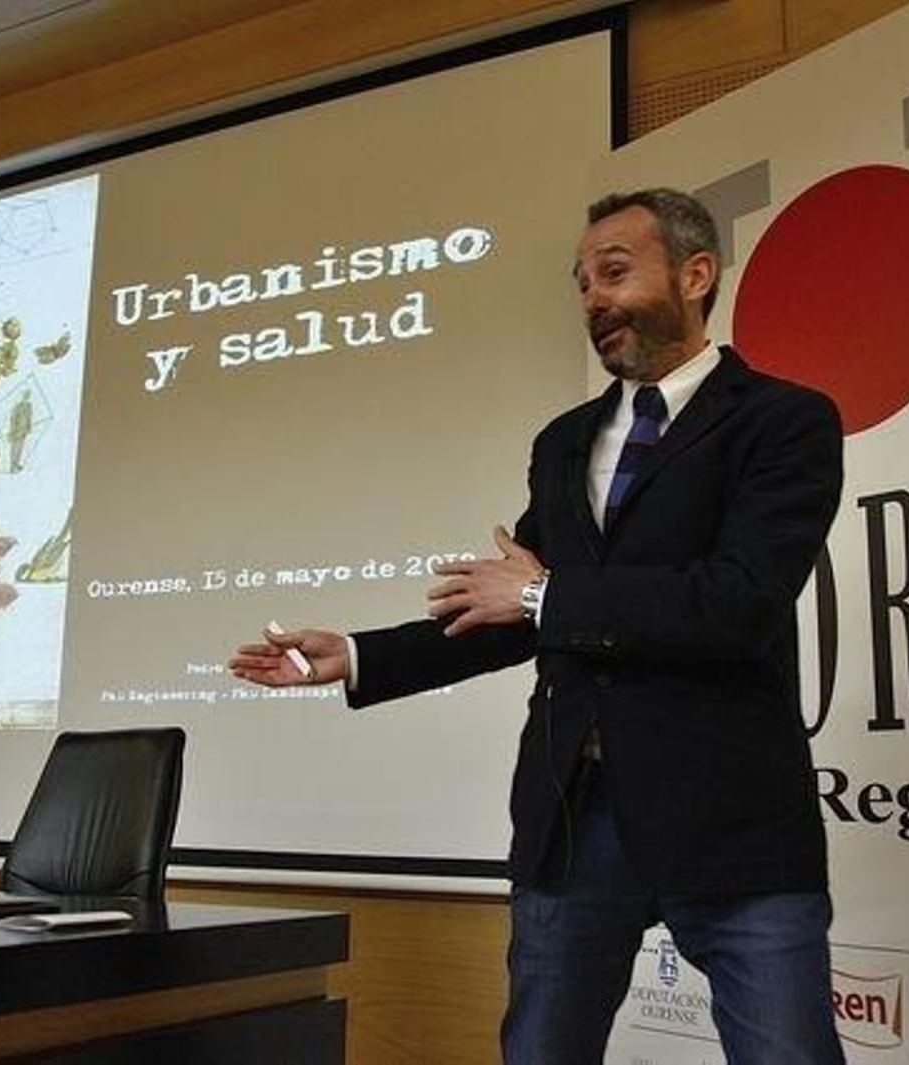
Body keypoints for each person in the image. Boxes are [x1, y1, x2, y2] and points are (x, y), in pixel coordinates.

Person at [230, 188, 845, 1063]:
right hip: (572, 819)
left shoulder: (785, 421)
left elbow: (737, 602)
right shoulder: (564, 441)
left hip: (733, 820)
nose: (593, 297)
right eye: (581, 282)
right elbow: (513, 614)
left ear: (697, 274)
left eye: (615, 272)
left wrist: (544, 598)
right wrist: (361, 655)